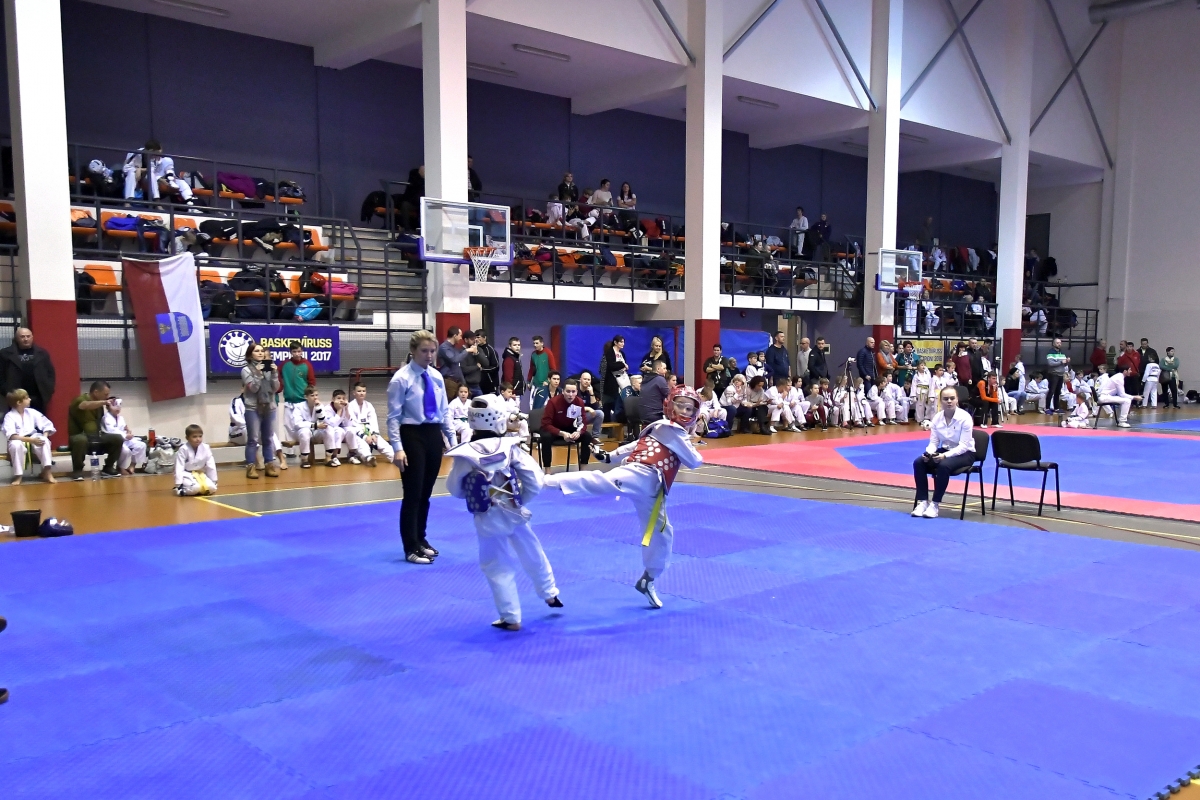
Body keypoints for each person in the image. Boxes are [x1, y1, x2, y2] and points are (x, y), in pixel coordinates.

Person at [545, 386, 704, 609]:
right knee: (597, 482)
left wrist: (608, 456)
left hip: (654, 489)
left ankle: (648, 579)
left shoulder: (661, 430)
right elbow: (695, 461)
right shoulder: (670, 429)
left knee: (663, 534)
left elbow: (634, 445)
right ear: (669, 405)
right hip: (639, 473)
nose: (685, 412)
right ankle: (544, 481)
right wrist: (691, 435)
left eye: (690, 409)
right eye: (681, 406)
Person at [446, 394, 562, 631]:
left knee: (496, 565)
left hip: (487, 518)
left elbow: (454, 489)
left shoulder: (466, 455)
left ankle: (511, 617)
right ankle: (549, 592)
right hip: (515, 512)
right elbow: (535, 480)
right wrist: (518, 499)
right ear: (498, 419)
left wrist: (474, 490)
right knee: (532, 550)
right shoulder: (510, 448)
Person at [389, 330, 452, 564]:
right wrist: (397, 447)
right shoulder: (401, 379)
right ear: (413, 351)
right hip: (411, 435)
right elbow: (393, 417)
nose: (429, 355)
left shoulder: (436, 377)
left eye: (432, 351)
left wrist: (453, 441)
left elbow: (444, 411)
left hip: (433, 434)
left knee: (426, 493)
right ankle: (410, 547)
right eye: (424, 351)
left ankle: (421, 539)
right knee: (413, 493)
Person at [911, 387, 976, 519]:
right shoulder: (937, 418)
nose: (949, 401)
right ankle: (923, 501)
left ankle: (935, 504)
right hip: (945, 450)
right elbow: (934, 443)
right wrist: (928, 454)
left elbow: (964, 446)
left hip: (966, 453)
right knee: (919, 462)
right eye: (946, 399)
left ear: (957, 400)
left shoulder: (965, 418)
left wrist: (944, 456)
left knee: (943, 465)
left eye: (952, 398)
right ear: (941, 401)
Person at [240, 341, 282, 479]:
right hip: (253, 407)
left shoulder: (269, 368)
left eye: (262, 351)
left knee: (268, 438)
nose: (260, 353)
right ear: (250, 354)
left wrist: (274, 373)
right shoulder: (246, 370)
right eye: (256, 351)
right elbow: (253, 388)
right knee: (253, 439)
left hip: (269, 406)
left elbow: (276, 388)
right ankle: (251, 467)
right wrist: (258, 374)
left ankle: (269, 465)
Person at [68, 381, 123, 479]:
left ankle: (108, 468)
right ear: (96, 392)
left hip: (96, 436)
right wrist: (104, 402)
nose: (107, 397)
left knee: (117, 438)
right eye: (105, 394)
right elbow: (84, 405)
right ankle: (77, 470)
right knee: (80, 440)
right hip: (80, 436)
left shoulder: (99, 406)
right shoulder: (80, 399)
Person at [539, 378, 599, 468]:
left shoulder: (579, 402)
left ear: (576, 392)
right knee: (546, 437)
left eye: (573, 392)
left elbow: (582, 422)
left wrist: (578, 432)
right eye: (568, 391)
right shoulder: (553, 402)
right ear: (563, 391)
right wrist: (561, 433)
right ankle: (547, 470)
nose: (571, 395)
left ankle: (583, 470)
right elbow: (546, 424)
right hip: (553, 429)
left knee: (587, 436)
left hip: (568, 428)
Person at [4, 388, 55, 485]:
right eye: (27, 398)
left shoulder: (32, 412)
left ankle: (47, 472)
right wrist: (31, 440)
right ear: (19, 402)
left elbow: (47, 425)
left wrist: (45, 436)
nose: (30, 399)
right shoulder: (9, 416)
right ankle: (18, 476)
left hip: (33, 436)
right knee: (16, 445)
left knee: (44, 441)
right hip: (18, 439)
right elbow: (12, 435)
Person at [0, 328, 56, 415]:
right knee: (17, 420)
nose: (26, 339)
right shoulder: (5, 354)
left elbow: (50, 372)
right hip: (16, 396)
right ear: (16, 338)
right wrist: (6, 392)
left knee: (38, 421)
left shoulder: (42, 353)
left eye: (28, 336)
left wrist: (49, 389)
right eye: (22, 337)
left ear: (32, 337)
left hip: (38, 396)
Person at [228, 392, 286, 470]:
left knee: (269, 432)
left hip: (253, 430)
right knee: (251, 432)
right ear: (243, 389)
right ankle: (258, 461)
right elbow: (235, 417)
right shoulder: (236, 401)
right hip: (237, 432)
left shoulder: (257, 402)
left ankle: (282, 459)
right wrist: (252, 425)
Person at [280, 341, 316, 458]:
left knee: (303, 426)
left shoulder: (307, 365)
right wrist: (279, 388)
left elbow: (311, 382)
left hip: (302, 401)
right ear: (290, 352)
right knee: (288, 426)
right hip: (289, 400)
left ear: (302, 351)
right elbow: (278, 377)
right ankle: (290, 451)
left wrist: (310, 396)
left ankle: (304, 451)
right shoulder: (285, 365)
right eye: (294, 351)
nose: (297, 354)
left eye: (299, 351)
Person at [292, 386, 343, 467]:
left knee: (329, 429)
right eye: (312, 395)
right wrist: (315, 425)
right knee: (305, 432)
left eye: (316, 395)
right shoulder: (298, 407)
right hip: (301, 432)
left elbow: (324, 421)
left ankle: (328, 458)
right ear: (306, 397)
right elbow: (297, 423)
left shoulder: (320, 405)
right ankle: (304, 460)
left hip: (316, 432)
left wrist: (319, 409)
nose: (315, 398)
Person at [347, 383, 393, 466]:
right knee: (362, 444)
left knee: (383, 444)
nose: (361, 393)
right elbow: (353, 424)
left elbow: (374, 421)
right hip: (357, 433)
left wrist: (374, 434)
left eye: (363, 391)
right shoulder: (350, 406)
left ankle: (395, 457)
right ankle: (368, 458)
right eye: (359, 391)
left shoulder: (369, 405)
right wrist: (365, 436)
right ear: (354, 393)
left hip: (370, 432)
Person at [100, 397, 146, 475]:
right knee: (125, 451)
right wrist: (125, 435)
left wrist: (128, 430)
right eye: (115, 405)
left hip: (125, 439)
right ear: (108, 407)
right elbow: (112, 430)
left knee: (141, 445)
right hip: (115, 440)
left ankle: (132, 465)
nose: (118, 407)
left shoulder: (120, 418)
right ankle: (120, 467)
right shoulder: (106, 418)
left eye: (119, 405)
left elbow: (124, 427)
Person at [173, 424, 218, 496]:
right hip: (186, 474)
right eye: (194, 437)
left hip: (200, 473)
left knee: (212, 488)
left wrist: (214, 480)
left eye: (200, 436)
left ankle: (195, 488)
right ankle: (181, 490)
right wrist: (178, 483)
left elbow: (211, 464)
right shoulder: (183, 449)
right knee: (195, 488)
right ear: (187, 438)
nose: (198, 439)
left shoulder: (206, 447)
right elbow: (179, 466)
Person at [438, 327, 475, 399]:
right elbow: (454, 360)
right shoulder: (444, 347)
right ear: (455, 336)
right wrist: (467, 350)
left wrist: (463, 383)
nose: (461, 338)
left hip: (457, 381)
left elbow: (457, 366)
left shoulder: (454, 348)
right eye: (460, 335)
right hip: (449, 381)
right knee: (451, 402)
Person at [640, 360, 670, 424]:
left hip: (643, 415)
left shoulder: (645, 379)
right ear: (658, 369)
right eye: (664, 368)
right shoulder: (660, 379)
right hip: (656, 415)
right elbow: (669, 395)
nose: (666, 371)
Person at [577, 371, 605, 437]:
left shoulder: (589, 391)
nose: (587, 381)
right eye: (585, 379)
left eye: (588, 380)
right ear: (580, 379)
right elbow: (574, 407)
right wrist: (588, 408)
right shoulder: (575, 390)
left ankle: (595, 436)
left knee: (600, 413)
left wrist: (592, 393)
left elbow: (595, 408)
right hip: (575, 416)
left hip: (584, 416)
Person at [1045, 338, 1070, 414]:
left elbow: (1064, 364)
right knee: (1051, 391)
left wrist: (1067, 362)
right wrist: (1061, 362)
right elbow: (1050, 363)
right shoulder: (1050, 352)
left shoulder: (1062, 353)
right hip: (1053, 374)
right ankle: (1047, 408)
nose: (1059, 344)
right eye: (1057, 343)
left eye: (1060, 343)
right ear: (1053, 344)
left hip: (1061, 374)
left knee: (1058, 392)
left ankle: (1056, 408)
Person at [475, 330, 501, 395]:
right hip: (478, 384)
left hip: (490, 383)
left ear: (484, 338)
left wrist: (482, 369)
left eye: (478, 337)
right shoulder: (474, 349)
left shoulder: (491, 350)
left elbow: (496, 366)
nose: (476, 339)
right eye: (475, 337)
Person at [911, 362, 935, 427]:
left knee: (928, 405)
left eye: (924, 365)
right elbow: (913, 386)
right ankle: (919, 419)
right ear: (918, 367)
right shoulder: (916, 375)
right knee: (920, 406)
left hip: (927, 391)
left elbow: (931, 384)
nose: (923, 366)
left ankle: (927, 418)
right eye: (921, 365)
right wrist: (913, 396)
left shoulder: (928, 374)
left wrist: (931, 394)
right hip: (919, 391)